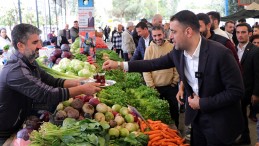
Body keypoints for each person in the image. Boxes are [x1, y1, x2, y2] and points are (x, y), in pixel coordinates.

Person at [103, 10, 244, 146]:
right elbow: (153, 63)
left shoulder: (221, 53)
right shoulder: (178, 53)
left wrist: (203, 103)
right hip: (196, 120)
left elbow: (236, 91)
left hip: (220, 122)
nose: (170, 36)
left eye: (174, 31)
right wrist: (119, 64)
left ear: (188, 32)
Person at [0, 23, 101, 145]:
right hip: (6, 132)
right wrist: (82, 89)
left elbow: (52, 81)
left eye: (39, 41)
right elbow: (47, 94)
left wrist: (78, 82)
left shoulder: (30, 62)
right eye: (34, 42)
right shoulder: (15, 70)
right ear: (20, 46)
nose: (40, 46)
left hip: (22, 122)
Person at [143, 25, 180, 127]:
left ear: (164, 34)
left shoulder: (172, 47)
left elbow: (176, 67)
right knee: (157, 114)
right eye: (154, 36)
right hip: (155, 88)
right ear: (152, 36)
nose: (157, 38)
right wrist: (151, 86)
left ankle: (176, 130)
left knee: (173, 110)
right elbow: (146, 70)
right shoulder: (149, 49)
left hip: (171, 87)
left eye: (159, 35)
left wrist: (174, 81)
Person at [234, 23, 259, 145]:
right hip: (236, 89)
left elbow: (258, 74)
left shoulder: (255, 51)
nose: (240, 35)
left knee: (242, 114)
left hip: (249, 90)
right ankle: (244, 137)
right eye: (238, 32)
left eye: (243, 32)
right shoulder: (233, 48)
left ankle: (245, 138)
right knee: (240, 115)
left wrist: (256, 93)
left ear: (249, 34)